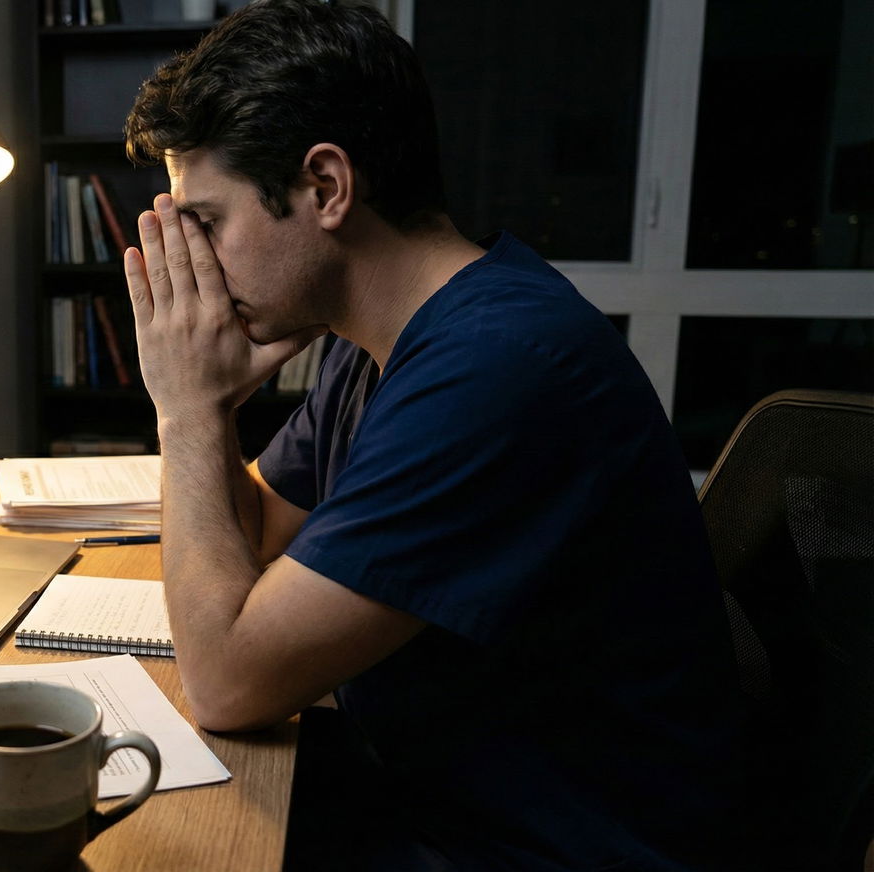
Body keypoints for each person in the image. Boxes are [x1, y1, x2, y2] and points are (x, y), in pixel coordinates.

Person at [119, 1, 741, 868]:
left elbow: (227, 683)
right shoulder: (377, 337)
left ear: (326, 188)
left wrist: (184, 410)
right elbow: (255, 526)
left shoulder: (496, 370)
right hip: (439, 794)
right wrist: (210, 410)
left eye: (209, 222)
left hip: (550, 846)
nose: (197, 261)